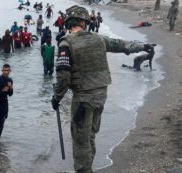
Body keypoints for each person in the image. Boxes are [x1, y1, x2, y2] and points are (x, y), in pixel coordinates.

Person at [51, 5, 156, 173]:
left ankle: (84, 170)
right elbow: (122, 45)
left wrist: (56, 98)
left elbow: (63, 77)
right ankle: (88, 167)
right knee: (90, 134)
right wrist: (143, 46)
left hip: (84, 99)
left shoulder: (66, 43)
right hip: (101, 96)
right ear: (84, 23)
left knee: (80, 138)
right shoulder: (98, 38)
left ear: (68, 23)